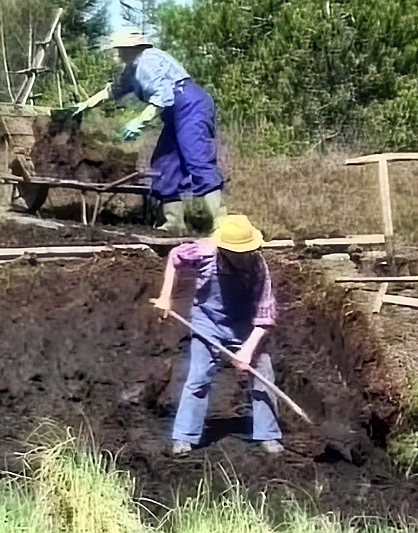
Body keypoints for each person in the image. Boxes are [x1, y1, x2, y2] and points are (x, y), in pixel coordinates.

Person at [151, 214, 284, 456]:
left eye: (248, 251)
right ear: (224, 249)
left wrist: (247, 349)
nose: (244, 256)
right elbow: (175, 257)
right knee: (199, 374)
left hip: (243, 325)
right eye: (238, 252)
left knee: (264, 373)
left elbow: (266, 315)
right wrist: (166, 296)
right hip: (207, 323)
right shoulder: (203, 252)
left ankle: (268, 434)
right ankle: (184, 436)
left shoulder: (257, 267)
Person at [75, 28, 226, 233]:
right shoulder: (133, 68)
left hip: (190, 105)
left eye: (120, 49)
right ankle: (174, 223)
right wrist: (86, 104)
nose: (117, 53)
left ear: (132, 47)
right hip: (174, 113)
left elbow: (164, 95)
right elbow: (115, 89)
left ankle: (222, 224)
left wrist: (140, 120)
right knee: (164, 164)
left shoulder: (149, 61)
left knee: (197, 159)